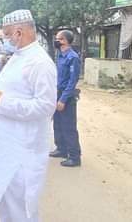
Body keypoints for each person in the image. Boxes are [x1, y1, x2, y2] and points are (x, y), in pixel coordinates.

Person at [0, 9, 57, 222]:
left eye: (8, 34)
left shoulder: (40, 63)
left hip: (23, 151)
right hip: (6, 148)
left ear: (19, 32)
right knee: (6, 204)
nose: (6, 39)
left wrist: (1, 100)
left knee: (21, 209)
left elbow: (45, 107)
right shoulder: (19, 56)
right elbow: (13, 89)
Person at [50, 30, 82, 167]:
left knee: (68, 126)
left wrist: (63, 99)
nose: (56, 41)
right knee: (57, 123)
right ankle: (61, 149)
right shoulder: (60, 55)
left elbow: (72, 81)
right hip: (57, 92)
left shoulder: (72, 57)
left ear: (66, 41)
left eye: (59, 39)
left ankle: (74, 157)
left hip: (66, 95)